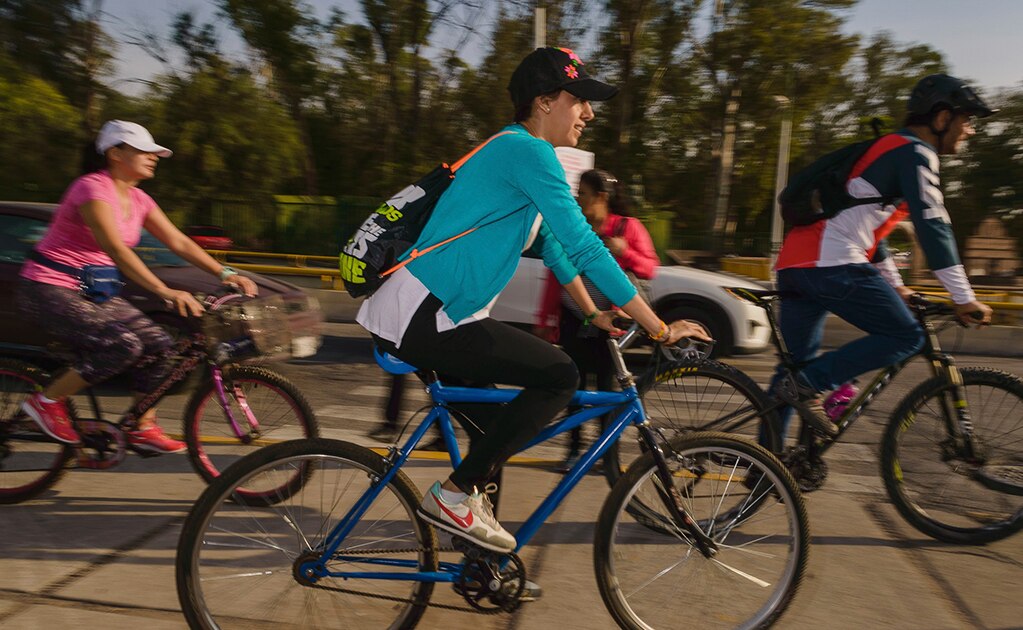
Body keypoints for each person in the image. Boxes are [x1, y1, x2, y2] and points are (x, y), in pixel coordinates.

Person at [356, 47, 708, 560]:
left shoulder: (516, 155)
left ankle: (480, 562)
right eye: (579, 100)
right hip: (426, 313)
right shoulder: (528, 153)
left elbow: (554, 247)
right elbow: (587, 244)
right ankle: (454, 498)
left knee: (491, 443)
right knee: (559, 377)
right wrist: (659, 328)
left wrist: (592, 312)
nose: (589, 113)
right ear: (544, 102)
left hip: (435, 312)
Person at [768, 74, 994, 441]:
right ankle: (809, 384)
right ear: (941, 118)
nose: (969, 130)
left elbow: (874, 234)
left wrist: (897, 287)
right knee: (905, 335)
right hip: (831, 261)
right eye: (966, 120)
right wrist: (963, 297)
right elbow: (933, 223)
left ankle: (766, 466)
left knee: (793, 370)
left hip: (796, 264)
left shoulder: (891, 149)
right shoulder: (916, 152)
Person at [18, 120, 257, 452]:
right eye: (144, 151)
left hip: (89, 290)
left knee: (160, 344)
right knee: (122, 345)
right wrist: (165, 291)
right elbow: (116, 248)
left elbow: (178, 242)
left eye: (155, 152)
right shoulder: (92, 188)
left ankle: (141, 426)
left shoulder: (139, 199)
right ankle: (46, 402)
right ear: (116, 153)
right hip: (47, 287)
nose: (154, 157)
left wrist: (225, 273)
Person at [535, 168, 659, 472]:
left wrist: (625, 251)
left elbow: (650, 268)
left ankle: (606, 454)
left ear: (601, 197)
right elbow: (557, 275)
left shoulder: (627, 228)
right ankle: (574, 450)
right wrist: (546, 317)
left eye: (584, 193)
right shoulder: (574, 227)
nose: (579, 198)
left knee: (607, 390)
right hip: (575, 319)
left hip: (610, 322)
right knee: (574, 387)